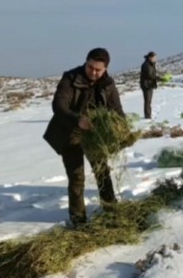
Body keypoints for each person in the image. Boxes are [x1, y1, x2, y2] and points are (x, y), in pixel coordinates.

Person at [43, 48, 124, 227]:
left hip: (95, 137)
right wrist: (77, 120)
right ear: (85, 62)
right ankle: (78, 220)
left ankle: (111, 211)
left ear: (106, 69)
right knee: (76, 177)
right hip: (70, 134)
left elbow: (117, 111)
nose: (93, 72)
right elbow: (59, 105)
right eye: (90, 67)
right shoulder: (70, 78)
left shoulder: (108, 85)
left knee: (103, 173)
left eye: (98, 70)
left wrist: (122, 131)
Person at [140, 51, 158, 119]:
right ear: (150, 57)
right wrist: (158, 78)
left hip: (150, 85)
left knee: (149, 101)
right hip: (146, 85)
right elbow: (149, 75)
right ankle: (147, 116)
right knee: (147, 101)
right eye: (154, 58)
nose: (155, 59)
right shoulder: (146, 65)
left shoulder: (151, 64)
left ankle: (148, 115)